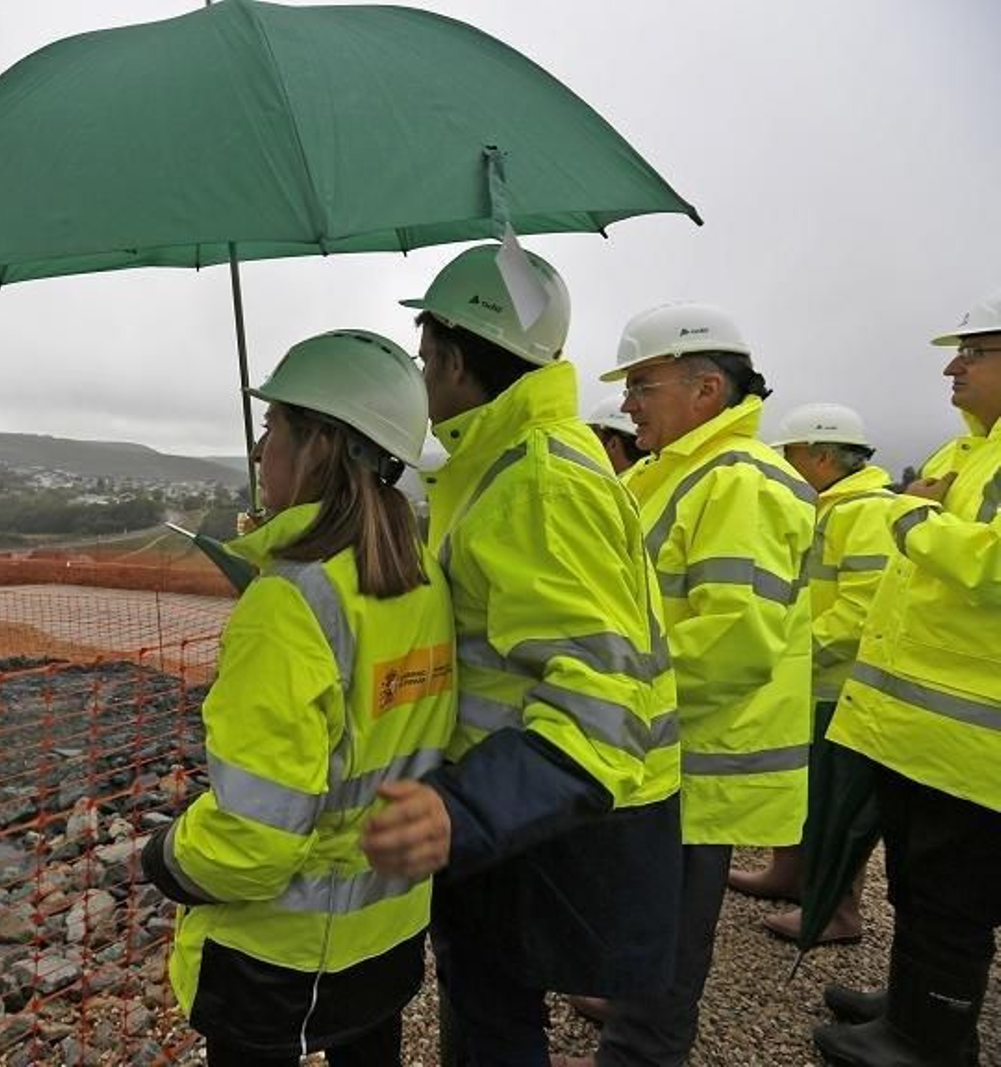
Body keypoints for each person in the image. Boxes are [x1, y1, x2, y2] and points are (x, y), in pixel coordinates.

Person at [358, 244, 682, 1067]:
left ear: (455, 361)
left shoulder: (538, 481)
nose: (422, 377)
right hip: (526, 798)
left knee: (495, 1019)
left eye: (426, 358)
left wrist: (461, 811)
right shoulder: (504, 457)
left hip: (536, 809)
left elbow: (601, 705)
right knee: (489, 1006)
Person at [140, 329, 457, 1066]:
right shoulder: (423, 578)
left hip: (279, 959)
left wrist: (165, 857)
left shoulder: (289, 603)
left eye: (272, 426)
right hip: (388, 931)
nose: (259, 452)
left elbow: (254, 844)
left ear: (319, 443)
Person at [559, 302, 816, 1067]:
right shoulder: (676, 471)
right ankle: (628, 1010)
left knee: (669, 931)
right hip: (665, 745)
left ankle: (639, 1052)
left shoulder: (740, 483)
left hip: (697, 756)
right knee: (645, 914)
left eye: (643, 384)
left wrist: (612, 701)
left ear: (707, 390)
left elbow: (734, 641)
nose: (628, 402)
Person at [813, 289, 1001, 1067]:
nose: (954, 367)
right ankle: (910, 1005)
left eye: (974, 352)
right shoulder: (965, 452)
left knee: (955, 896)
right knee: (917, 884)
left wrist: (914, 518)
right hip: (920, 731)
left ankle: (934, 1040)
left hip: (975, 744)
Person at [728, 403, 915, 944]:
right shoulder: (829, 506)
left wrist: (795, 654)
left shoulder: (867, 511)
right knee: (804, 784)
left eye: (790, 454)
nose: (784, 465)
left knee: (838, 800)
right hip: (815, 682)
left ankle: (837, 911)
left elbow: (864, 608)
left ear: (822, 455)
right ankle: (789, 873)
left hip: (843, 685)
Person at [588, 397, 650, 475]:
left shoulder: (599, 482)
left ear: (613, 444)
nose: (587, 447)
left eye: (593, 437)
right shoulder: (654, 478)